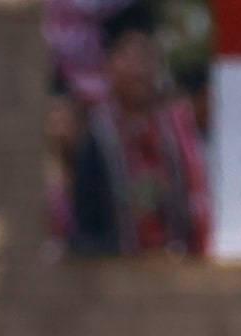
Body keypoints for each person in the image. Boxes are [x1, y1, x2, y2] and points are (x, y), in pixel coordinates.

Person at [66, 4, 208, 257]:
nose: (138, 69)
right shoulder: (96, 139)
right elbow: (85, 234)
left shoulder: (180, 133)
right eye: (127, 57)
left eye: (145, 56)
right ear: (109, 67)